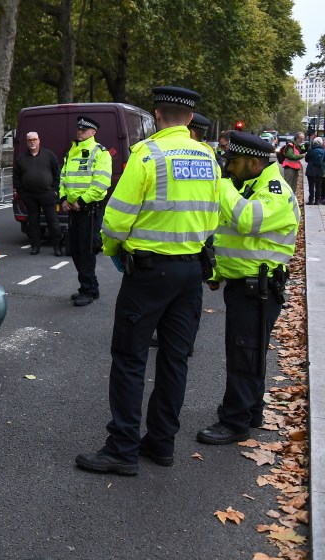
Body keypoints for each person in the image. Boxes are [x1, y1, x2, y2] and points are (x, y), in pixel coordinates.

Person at [75, 86, 220, 476]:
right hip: (191, 271)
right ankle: (161, 443)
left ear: (157, 114)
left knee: (129, 358)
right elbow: (214, 216)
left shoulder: (147, 155)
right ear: (189, 119)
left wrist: (113, 250)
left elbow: (117, 219)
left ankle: (122, 447)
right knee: (175, 360)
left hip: (149, 273)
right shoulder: (208, 157)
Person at [196, 132, 300, 445]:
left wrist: (222, 184)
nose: (228, 167)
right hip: (247, 286)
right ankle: (251, 410)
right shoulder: (250, 186)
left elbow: (247, 222)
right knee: (249, 350)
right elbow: (236, 242)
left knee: (244, 353)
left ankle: (234, 421)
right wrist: (218, 272)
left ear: (254, 163)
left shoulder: (274, 190)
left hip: (258, 289)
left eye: (233, 162)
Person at [59, 116, 112, 306]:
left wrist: (81, 201)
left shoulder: (100, 152)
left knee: (86, 251)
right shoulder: (72, 151)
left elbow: (101, 183)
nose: (79, 132)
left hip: (89, 210)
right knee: (74, 249)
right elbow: (64, 177)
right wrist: (63, 198)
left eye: (83, 129)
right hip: (74, 209)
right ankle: (90, 287)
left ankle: (88, 290)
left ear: (93, 132)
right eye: (78, 129)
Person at [14, 131, 62, 255]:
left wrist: (55, 190)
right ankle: (35, 247)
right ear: (26, 142)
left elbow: (57, 173)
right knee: (33, 223)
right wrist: (21, 193)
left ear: (39, 141)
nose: (32, 142)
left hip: (47, 194)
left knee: (53, 221)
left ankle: (57, 247)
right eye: (29, 140)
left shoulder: (49, 155)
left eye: (34, 139)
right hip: (29, 196)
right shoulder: (21, 158)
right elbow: (16, 177)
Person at [306, 137, 324, 205]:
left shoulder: (311, 150)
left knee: (311, 185)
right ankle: (317, 201)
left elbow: (306, 159)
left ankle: (311, 200)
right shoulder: (323, 150)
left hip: (311, 170)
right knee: (319, 186)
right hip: (320, 170)